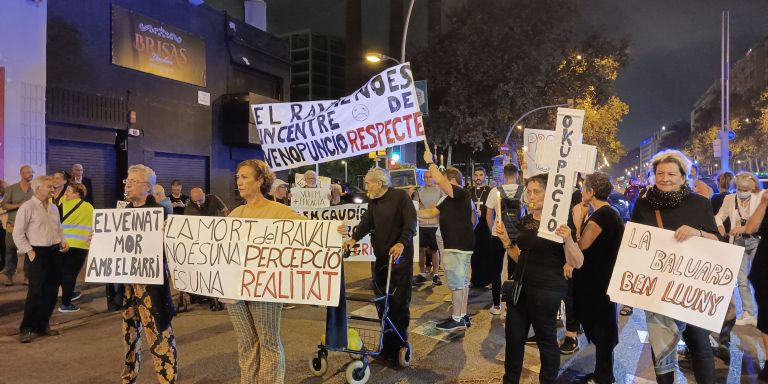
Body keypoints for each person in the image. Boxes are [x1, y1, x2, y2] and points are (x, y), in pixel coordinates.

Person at [630, 150, 719, 384]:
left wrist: (696, 232)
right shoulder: (643, 205)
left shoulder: (700, 203)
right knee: (662, 351)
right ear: (653, 175)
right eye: (660, 173)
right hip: (657, 288)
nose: (665, 178)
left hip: (692, 288)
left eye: (671, 173)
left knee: (700, 346)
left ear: (683, 176)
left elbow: (717, 242)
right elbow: (635, 244)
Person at [496, 173, 584, 384]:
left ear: (550, 194)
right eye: (529, 191)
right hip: (520, 289)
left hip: (547, 291)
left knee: (546, 341)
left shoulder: (559, 222)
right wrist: (506, 241)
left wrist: (568, 239)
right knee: (514, 339)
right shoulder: (525, 221)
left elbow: (578, 261)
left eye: (537, 191)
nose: (532, 195)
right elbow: (519, 257)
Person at [227, 159, 306, 383]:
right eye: (238, 178)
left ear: (260, 180)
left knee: (268, 343)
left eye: (245, 177)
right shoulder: (235, 213)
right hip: (234, 289)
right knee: (246, 343)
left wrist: (334, 232)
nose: (239, 182)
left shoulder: (279, 211)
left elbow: (311, 233)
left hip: (265, 287)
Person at [340, 167, 417, 358]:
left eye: (367, 183)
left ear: (379, 183)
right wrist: (353, 239)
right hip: (380, 258)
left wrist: (401, 243)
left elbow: (411, 223)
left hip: (399, 259)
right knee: (382, 301)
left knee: (399, 302)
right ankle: (386, 343)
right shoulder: (373, 201)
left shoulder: (400, 197)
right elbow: (366, 222)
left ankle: (400, 343)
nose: (365, 186)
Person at [120, 164, 177, 384]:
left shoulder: (159, 213)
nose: (127, 184)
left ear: (147, 187)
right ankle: (128, 376)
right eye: (127, 180)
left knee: (159, 333)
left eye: (132, 181)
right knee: (129, 334)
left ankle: (167, 378)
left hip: (151, 285)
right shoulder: (124, 212)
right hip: (129, 284)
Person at [570, 172, 624, 384]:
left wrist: (579, 219)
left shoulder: (600, 216)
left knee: (600, 328)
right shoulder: (612, 212)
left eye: (584, 188)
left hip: (596, 281)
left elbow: (581, 246)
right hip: (604, 279)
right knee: (603, 327)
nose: (582, 191)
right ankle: (603, 373)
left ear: (591, 192)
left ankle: (603, 377)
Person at [418, 154, 477, 331]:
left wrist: (430, 161)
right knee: (462, 282)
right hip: (457, 246)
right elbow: (430, 213)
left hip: (457, 246)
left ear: (451, 180)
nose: (438, 183)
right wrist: (411, 211)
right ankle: (463, 315)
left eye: (443, 180)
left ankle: (457, 318)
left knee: (457, 283)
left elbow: (438, 179)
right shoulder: (447, 198)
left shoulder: (459, 192)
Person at [13, 175, 70, 343]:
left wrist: (63, 241)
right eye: (49, 187)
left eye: (53, 187)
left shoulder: (53, 208)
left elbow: (58, 229)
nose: (53, 189)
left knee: (51, 291)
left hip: (54, 252)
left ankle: (42, 325)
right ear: (37, 189)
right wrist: (29, 252)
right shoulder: (27, 207)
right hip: (37, 253)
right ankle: (26, 327)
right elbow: (18, 233)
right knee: (36, 292)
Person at [718, 172, 763, 327]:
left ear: (753, 187)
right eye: (739, 188)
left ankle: (761, 314)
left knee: (760, 279)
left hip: (756, 240)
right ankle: (748, 312)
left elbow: (760, 224)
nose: (742, 191)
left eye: (745, 189)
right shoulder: (730, 199)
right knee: (742, 279)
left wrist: (743, 228)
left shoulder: (760, 200)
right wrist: (720, 226)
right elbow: (719, 216)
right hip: (737, 242)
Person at [483, 163, 521, 315]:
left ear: (504, 175)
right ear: (517, 174)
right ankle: (512, 305)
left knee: (496, 269)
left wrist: (493, 229)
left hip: (498, 234)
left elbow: (488, 215)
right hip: (517, 235)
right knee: (514, 269)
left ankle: (497, 305)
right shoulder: (523, 190)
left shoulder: (495, 191)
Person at [57, 182, 93, 313]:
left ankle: (67, 295)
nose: (66, 193)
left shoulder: (61, 206)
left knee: (64, 273)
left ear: (78, 194)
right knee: (70, 274)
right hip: (80, 246)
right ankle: (66, 304)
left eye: (69, 191)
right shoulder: (89, 207)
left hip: (64, 244)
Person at [745, 180, 768, 380]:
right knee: (767, 317)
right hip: (766, 269)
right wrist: (763, 203)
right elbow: (750, 228)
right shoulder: (765, 202)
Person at [2, 165, 35, 286]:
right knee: (10, 251)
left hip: (30, 226)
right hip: (13, 225)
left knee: (29, 251)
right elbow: (4, 205)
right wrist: (19, 205)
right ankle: (9, 276)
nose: (30, 174)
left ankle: (27, 276)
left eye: (31, 172)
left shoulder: (34, 190)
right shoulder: (11, 189)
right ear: (21, 174)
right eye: (27, 172)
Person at [413, 170, 444, 286]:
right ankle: (422, 273)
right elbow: (415, 206)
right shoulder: (419, 191)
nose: (428, 179)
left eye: (430, 177)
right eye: (426, 177)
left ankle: (436, 274)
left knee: (434, 250)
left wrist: (434, 209)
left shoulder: (439, 190)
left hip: (435, 225)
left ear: (434, 178)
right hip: (421, 225)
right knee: (421, 249)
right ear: (423, 178)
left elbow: (442, 207)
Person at [469, 166, 494, 288]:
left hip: (485, 227)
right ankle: (475, 279)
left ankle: (488, 280)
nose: (478, 178)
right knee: (474, 255)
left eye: (480, 175)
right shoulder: (469, 191)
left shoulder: (490, 191)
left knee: (486, 254)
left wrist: (482, 213)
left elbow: (492, 208)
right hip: (473, 229)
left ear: (484, 176)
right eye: (476, 175)